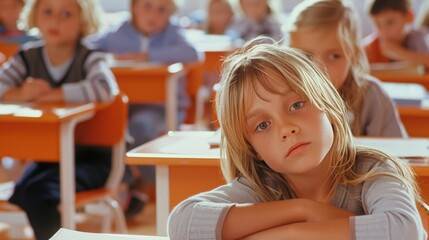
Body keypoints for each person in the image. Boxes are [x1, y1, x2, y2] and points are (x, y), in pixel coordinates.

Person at [167, 38, 426, 240]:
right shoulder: (261, 188)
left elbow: (405, 231)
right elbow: (182, 224)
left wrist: (291, 233)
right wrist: (304, 210)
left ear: (327, 104)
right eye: (263, 125)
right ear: (254, 149)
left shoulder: (373, 172)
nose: (286, 129)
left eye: (296, 105)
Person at [0, 0, 118, 239]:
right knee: (21, 193)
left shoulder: (92, 57)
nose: (55, 21)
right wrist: (21, 94)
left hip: (92, 159)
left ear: (83, 22)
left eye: (66, 14)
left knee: (38, 196)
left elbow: (105, 88)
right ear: (35, 15)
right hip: (49, 158)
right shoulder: (28, 56)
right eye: (48, 12)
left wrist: (54, 94)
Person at [85, 0, 202, 218]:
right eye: (147, 6)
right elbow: (87, 46)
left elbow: (193, 53)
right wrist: (106, 59)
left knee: (139, 127)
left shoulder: (173, 33)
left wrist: (147, 56)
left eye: (162, 10)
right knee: (102, 126)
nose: (153, 15)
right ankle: (122, 179)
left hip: (164, 108)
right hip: (126, 106)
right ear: (134, 8)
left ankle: (145, 184)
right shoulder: (120, 31)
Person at [285, 0, 406, 137]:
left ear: (353, 55)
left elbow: (398, 154)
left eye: (334, 56)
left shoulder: (372, 97)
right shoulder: (280, 98)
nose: (319, 69)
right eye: (305, 56)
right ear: (288, 55)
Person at [363, 0, 429, 68]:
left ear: (409, 17)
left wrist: (399, 53)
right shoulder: (369, 48)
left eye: (390, 23)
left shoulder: (420, 38)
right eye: (377, 24)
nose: (384, 32)